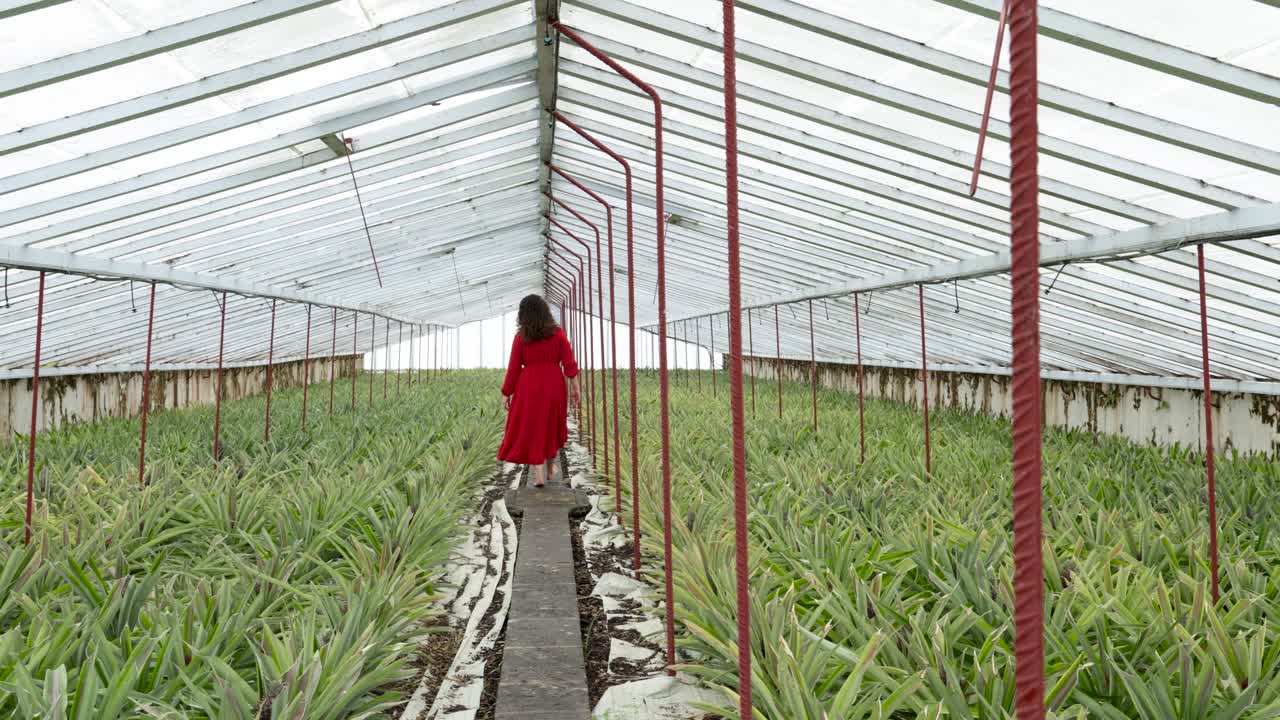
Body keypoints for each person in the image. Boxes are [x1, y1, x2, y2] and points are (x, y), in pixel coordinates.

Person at [498, 294, 581, 487]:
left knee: (534, 426)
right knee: (551, 424)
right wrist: (575, 386)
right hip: (554, 384)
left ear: (523, 315)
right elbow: (569, 362)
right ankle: (551, 468)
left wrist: (506, 392)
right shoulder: (558, 334)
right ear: (546, 311)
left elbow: (514, 368)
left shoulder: (521, 338)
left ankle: (539, 475)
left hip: (529, 386)